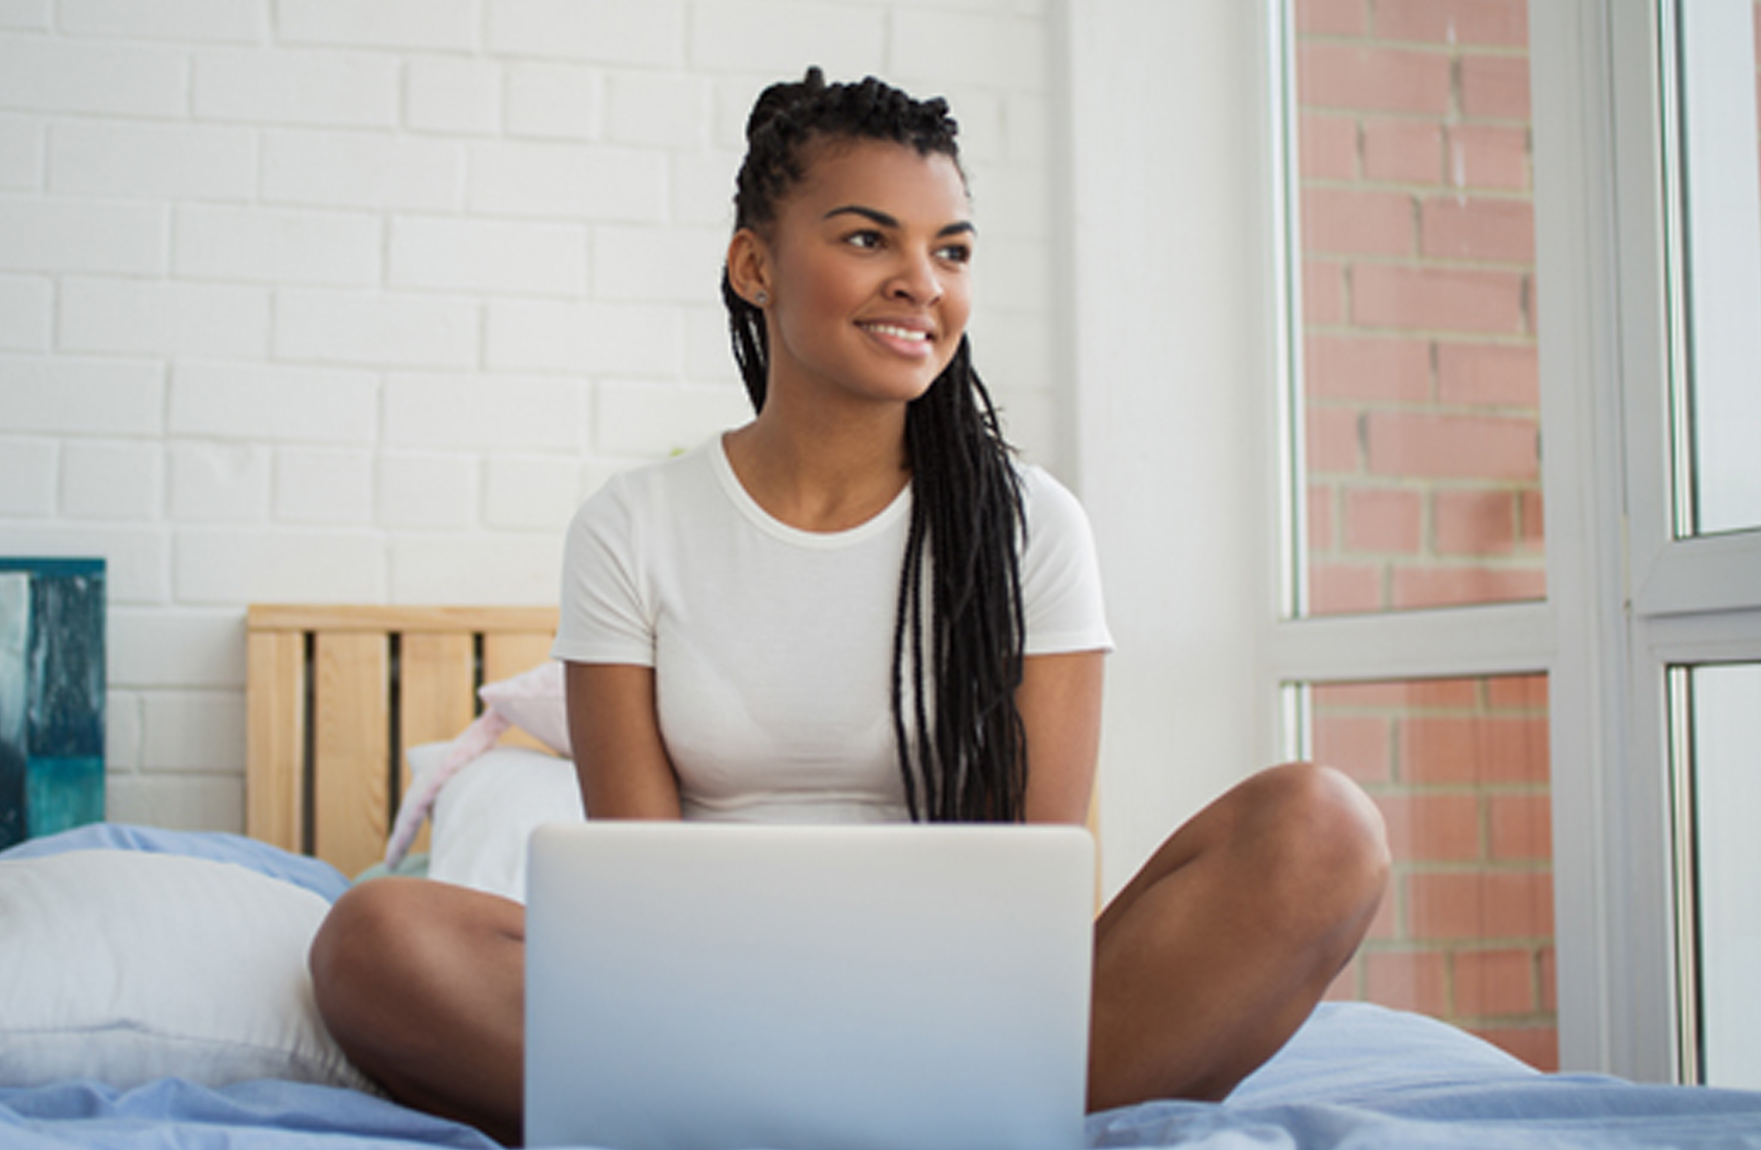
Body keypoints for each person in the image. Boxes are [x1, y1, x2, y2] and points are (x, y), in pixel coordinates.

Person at [310, 68, 1390, 1148]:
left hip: (972, 1013)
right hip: (704, 1012)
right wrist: (760, 1018)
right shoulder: (629, 528)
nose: (923, 282)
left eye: (951, 250)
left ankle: (793, 1120)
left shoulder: (1036, 529)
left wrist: (934, 1012)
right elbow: (640, 892)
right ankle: (881, 1120)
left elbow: (1039, 890)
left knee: (1324, 828)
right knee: (374, 937)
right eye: (871, 240)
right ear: (754, 265)